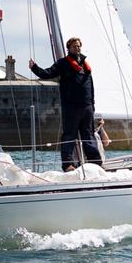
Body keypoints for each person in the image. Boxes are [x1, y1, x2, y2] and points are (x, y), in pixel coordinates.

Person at [29, 36, 102, 171]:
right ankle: (68, 164)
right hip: (71, 107)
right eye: (74, 46)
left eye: (79, 46)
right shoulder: (63, 63)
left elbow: (90, 86)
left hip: (87, 106)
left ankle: (95, 163)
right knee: (69, 135)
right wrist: (34, 68)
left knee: (89, 134)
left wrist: (92, 104)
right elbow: (47, 73)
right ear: (68, 48)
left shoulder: (85, 65)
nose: (77, 48)